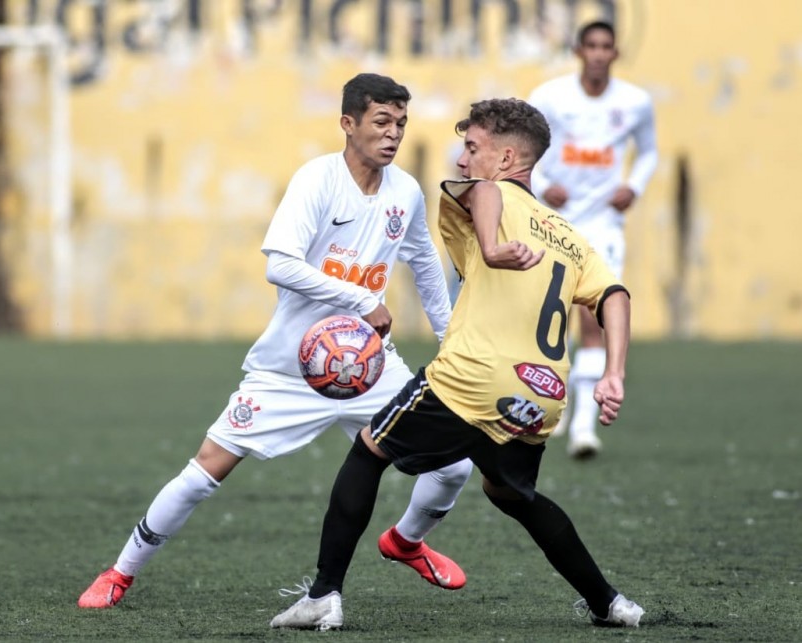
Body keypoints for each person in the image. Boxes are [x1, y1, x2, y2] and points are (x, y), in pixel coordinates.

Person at [77, 73, 473, 609]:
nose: (393, 134)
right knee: (204, 471)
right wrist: (361, 299)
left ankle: (406, 542)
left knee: (454, 463)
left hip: (366, 368)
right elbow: (280, 264)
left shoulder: (404, 191)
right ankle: (119, 573)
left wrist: (450, 338)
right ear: (348, 124)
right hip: (290, 368)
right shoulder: (316, 180)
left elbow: (425, 263)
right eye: (381, 121)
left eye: (401, 124)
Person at [271, 98, 643, 631]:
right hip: (540, 396)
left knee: (369, 450)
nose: (463, 161)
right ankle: (610, 603)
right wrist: (613, 373)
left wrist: (491, 247)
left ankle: (323, 595)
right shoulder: (569, 236)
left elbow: (488, 192)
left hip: (470, 378)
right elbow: (616, 296)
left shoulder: (489, 192)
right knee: (512, 494)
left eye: (472, 148)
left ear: (508, 155)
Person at [528, 20, 657, 459]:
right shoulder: (549, 97)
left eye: (607, 47)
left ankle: (584, 424)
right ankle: (554, 406)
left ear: (615, 53)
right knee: (550, 320)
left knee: (593, 319)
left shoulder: (635, 102)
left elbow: (650, 150)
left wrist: (634, 186)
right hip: (555, 219)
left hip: (603, 223)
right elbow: (524, 147)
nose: (600, 53)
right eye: (592, 46)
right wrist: (543, 184)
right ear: (579, 51)